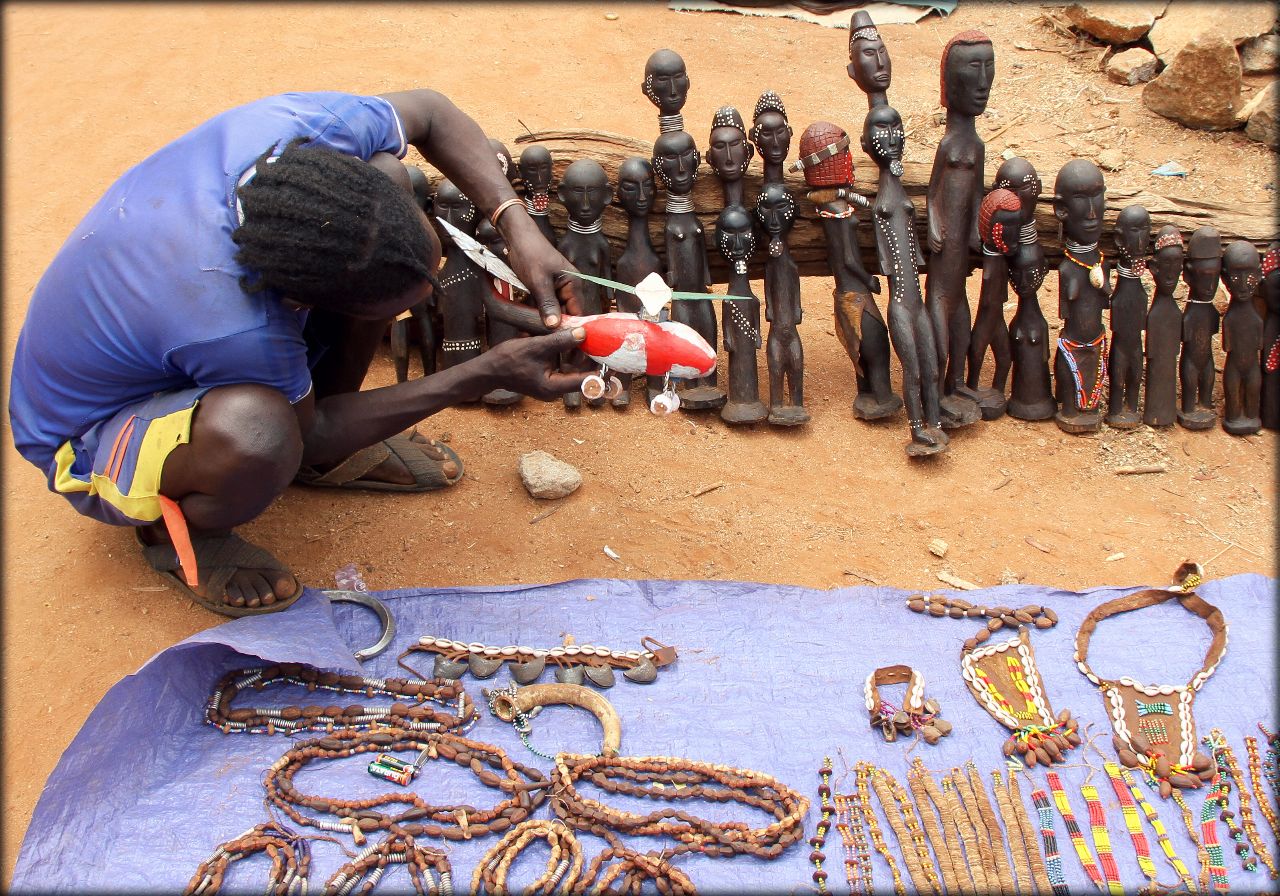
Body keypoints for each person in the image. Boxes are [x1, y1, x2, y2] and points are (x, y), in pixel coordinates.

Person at [9, 89, 587, 616]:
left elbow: (430, 112)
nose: (431, 298)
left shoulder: (302, 130)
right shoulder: (231, 324)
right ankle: (179, 531)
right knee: (260, 432)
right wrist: (479, 374)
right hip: (89, 438)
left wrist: (520, 229)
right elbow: (302, 430)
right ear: (299, 302)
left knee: (385, 176)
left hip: (168, 323)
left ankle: (322, 449)